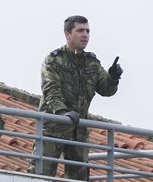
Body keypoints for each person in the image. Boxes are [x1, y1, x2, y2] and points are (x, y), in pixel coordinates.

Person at [28, 15, 122, 180]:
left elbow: (105, 89)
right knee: (40, 175)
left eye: (87, 31)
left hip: (78, 131)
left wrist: (113, 78)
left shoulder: (91, 62)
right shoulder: (54, 60)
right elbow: (51, 89)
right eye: (80, 30)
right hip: (53, 128)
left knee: (78, 178)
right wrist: (63, 112)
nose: (85, 34)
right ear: (67, 34)